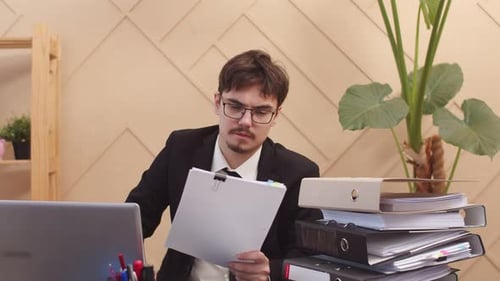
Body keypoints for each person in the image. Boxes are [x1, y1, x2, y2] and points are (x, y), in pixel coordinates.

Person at [126, 49, 322, 281]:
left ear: (276, 114)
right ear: (218, 103)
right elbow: (135, 219)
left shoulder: (299, 173)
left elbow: (309, 259)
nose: (245, 122)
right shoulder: (181, 148)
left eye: (261, 112)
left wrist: (270, 272)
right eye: (235, 107)